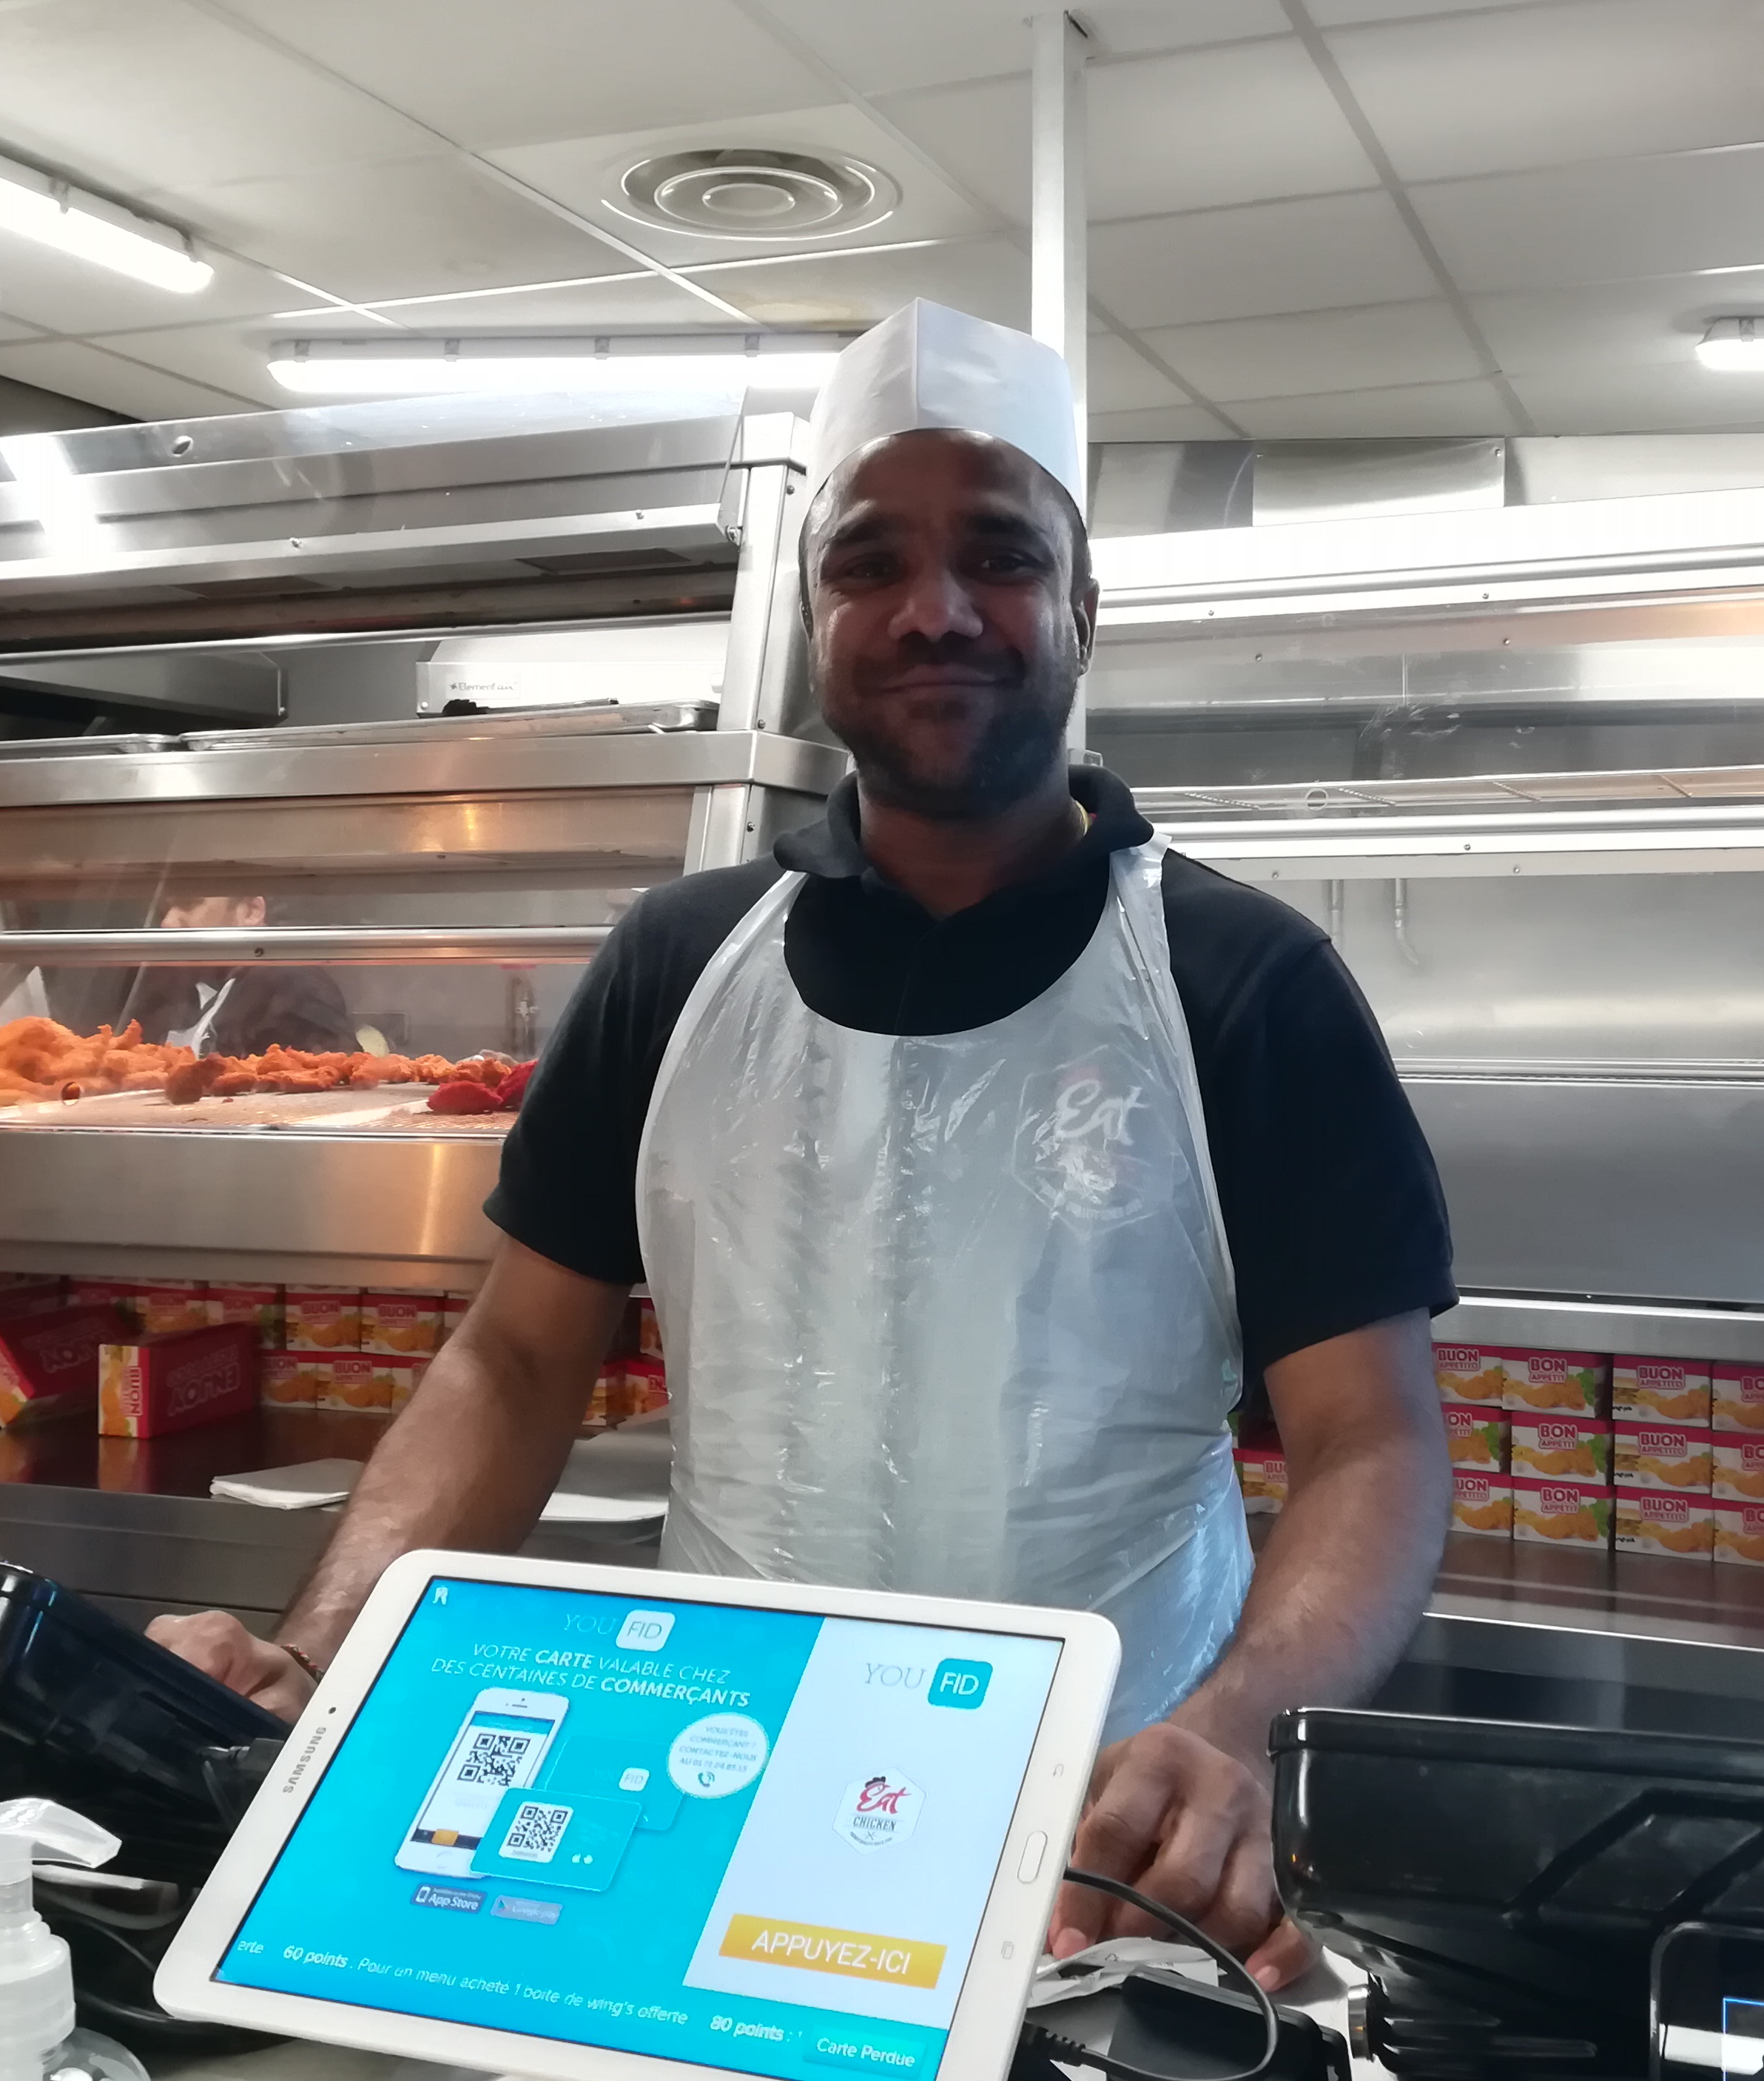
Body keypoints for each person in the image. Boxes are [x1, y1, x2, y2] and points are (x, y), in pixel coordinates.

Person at [152, 302, 1454, 1986]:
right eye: (869, 561)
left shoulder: (1243, 985)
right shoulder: (677, 964)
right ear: (816, 615)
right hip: (706, 1801)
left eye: (998, 553)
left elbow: (1370, 1440)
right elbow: (514, 1362)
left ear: (1080, 605)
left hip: (1108, 1841)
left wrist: (1233, 1734)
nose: (934, 610)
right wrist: (324, 1654)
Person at [113, 891, 357, 1057]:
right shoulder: (176, 987)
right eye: (164, 910)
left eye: (189, 903)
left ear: (251, 911)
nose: (168, 923)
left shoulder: (293, 984)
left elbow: (330, 1081)